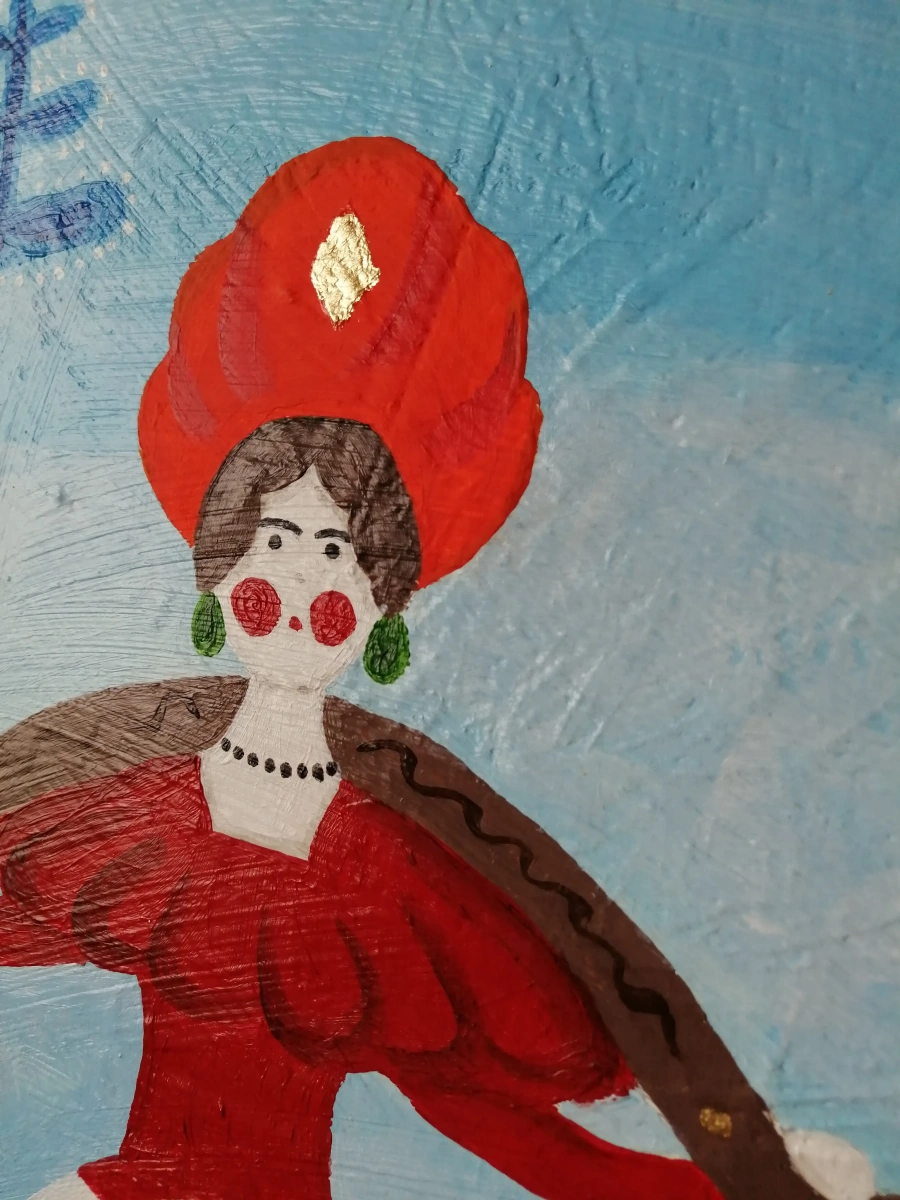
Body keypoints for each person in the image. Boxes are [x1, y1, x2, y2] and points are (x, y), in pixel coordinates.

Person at [0, 138, 877, 1200]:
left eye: (335, 552)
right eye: (272, 539)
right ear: (219, 569)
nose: (297, 583)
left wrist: (756, 1182)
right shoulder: (129, 803)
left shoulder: (391, 868)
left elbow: (501, 1129)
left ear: (382, 603)